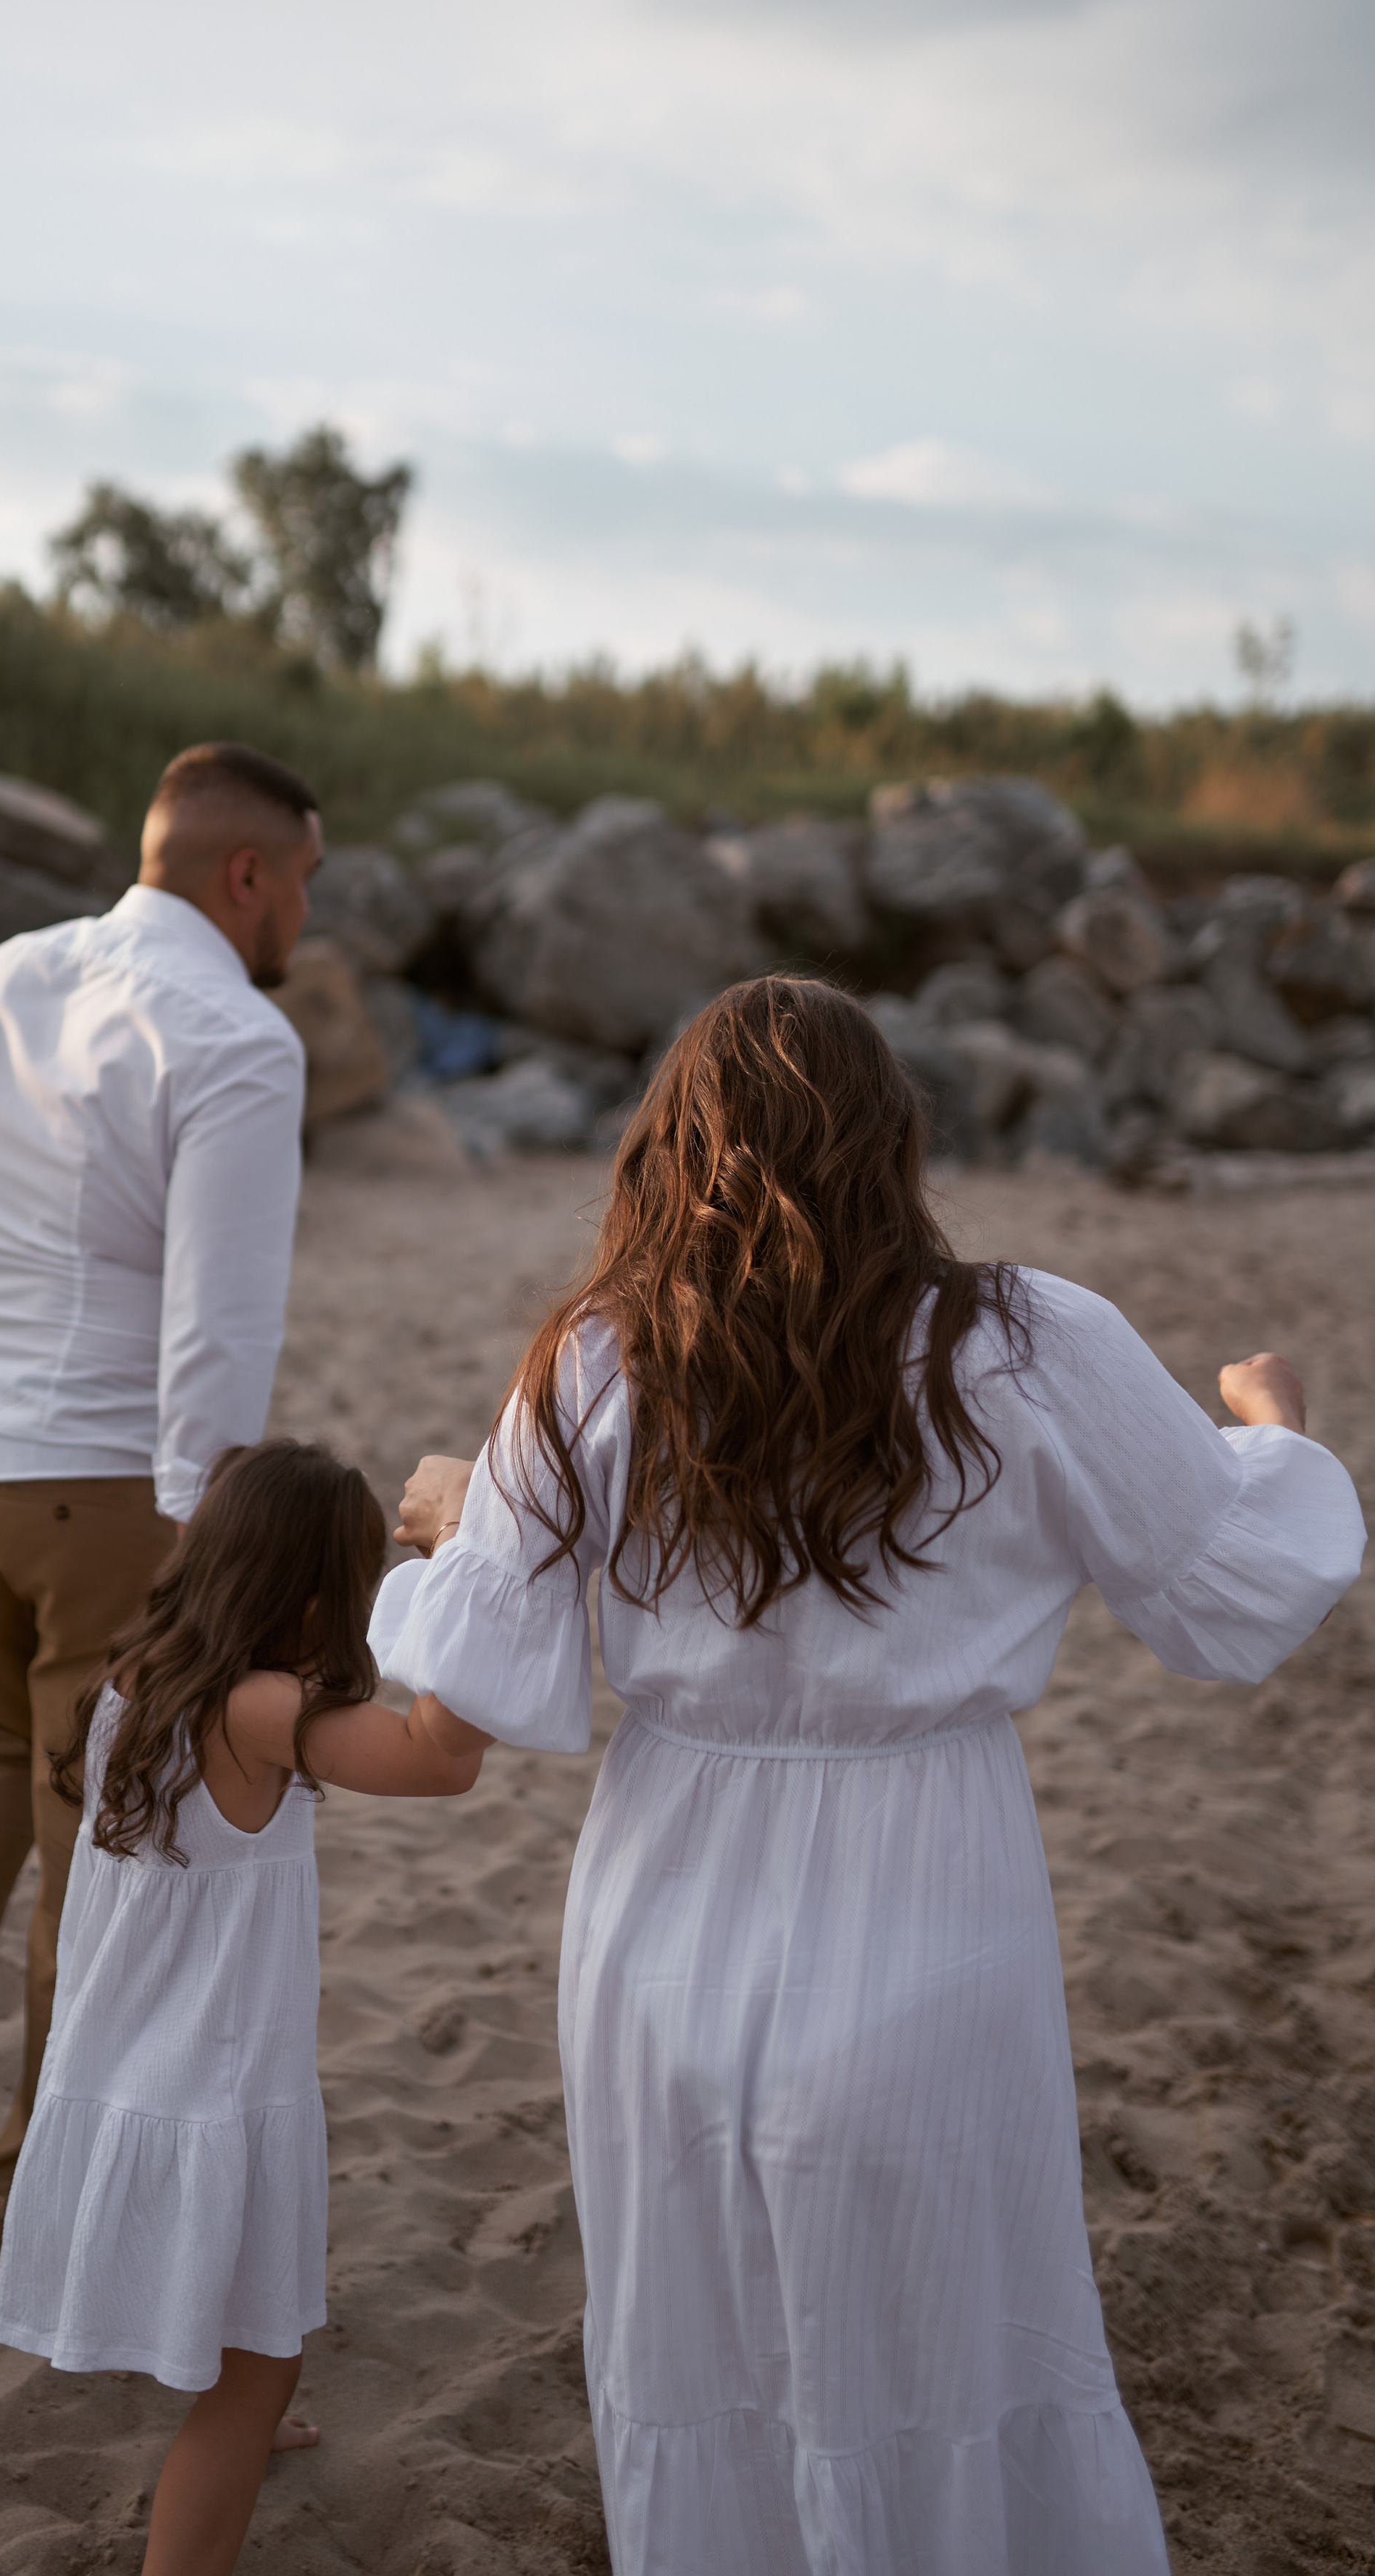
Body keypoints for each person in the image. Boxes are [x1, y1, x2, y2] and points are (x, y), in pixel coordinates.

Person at [372, 975, 1366, 2576]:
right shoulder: (1028, 1340)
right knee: (943, 2336)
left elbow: (496, 1668)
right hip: (930, 1889)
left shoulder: (596, 1361)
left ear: (667, 1153)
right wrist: (1271, 1429)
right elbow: (1232, 1594)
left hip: (663, 1910)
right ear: (889, 1145)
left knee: (697, 2333)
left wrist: (444, 1516)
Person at [0, 743, 324, 2212]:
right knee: (99, 1828)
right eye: (302, 881)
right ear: (245, 874)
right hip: (93, 1475)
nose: (303, 914)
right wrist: (203, 1528)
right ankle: (45, 2164)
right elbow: (218, 1319)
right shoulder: (232, 1038)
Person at [0, 1437, 487, 2576]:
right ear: (321, 1597)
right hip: (211, 2087)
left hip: (129, 2061)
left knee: (239, 2315)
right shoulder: (262, 1707)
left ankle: (250, 2419)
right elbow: (445, 1759)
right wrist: (463, 1564)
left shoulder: (139, 1677)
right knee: (264, 2362)